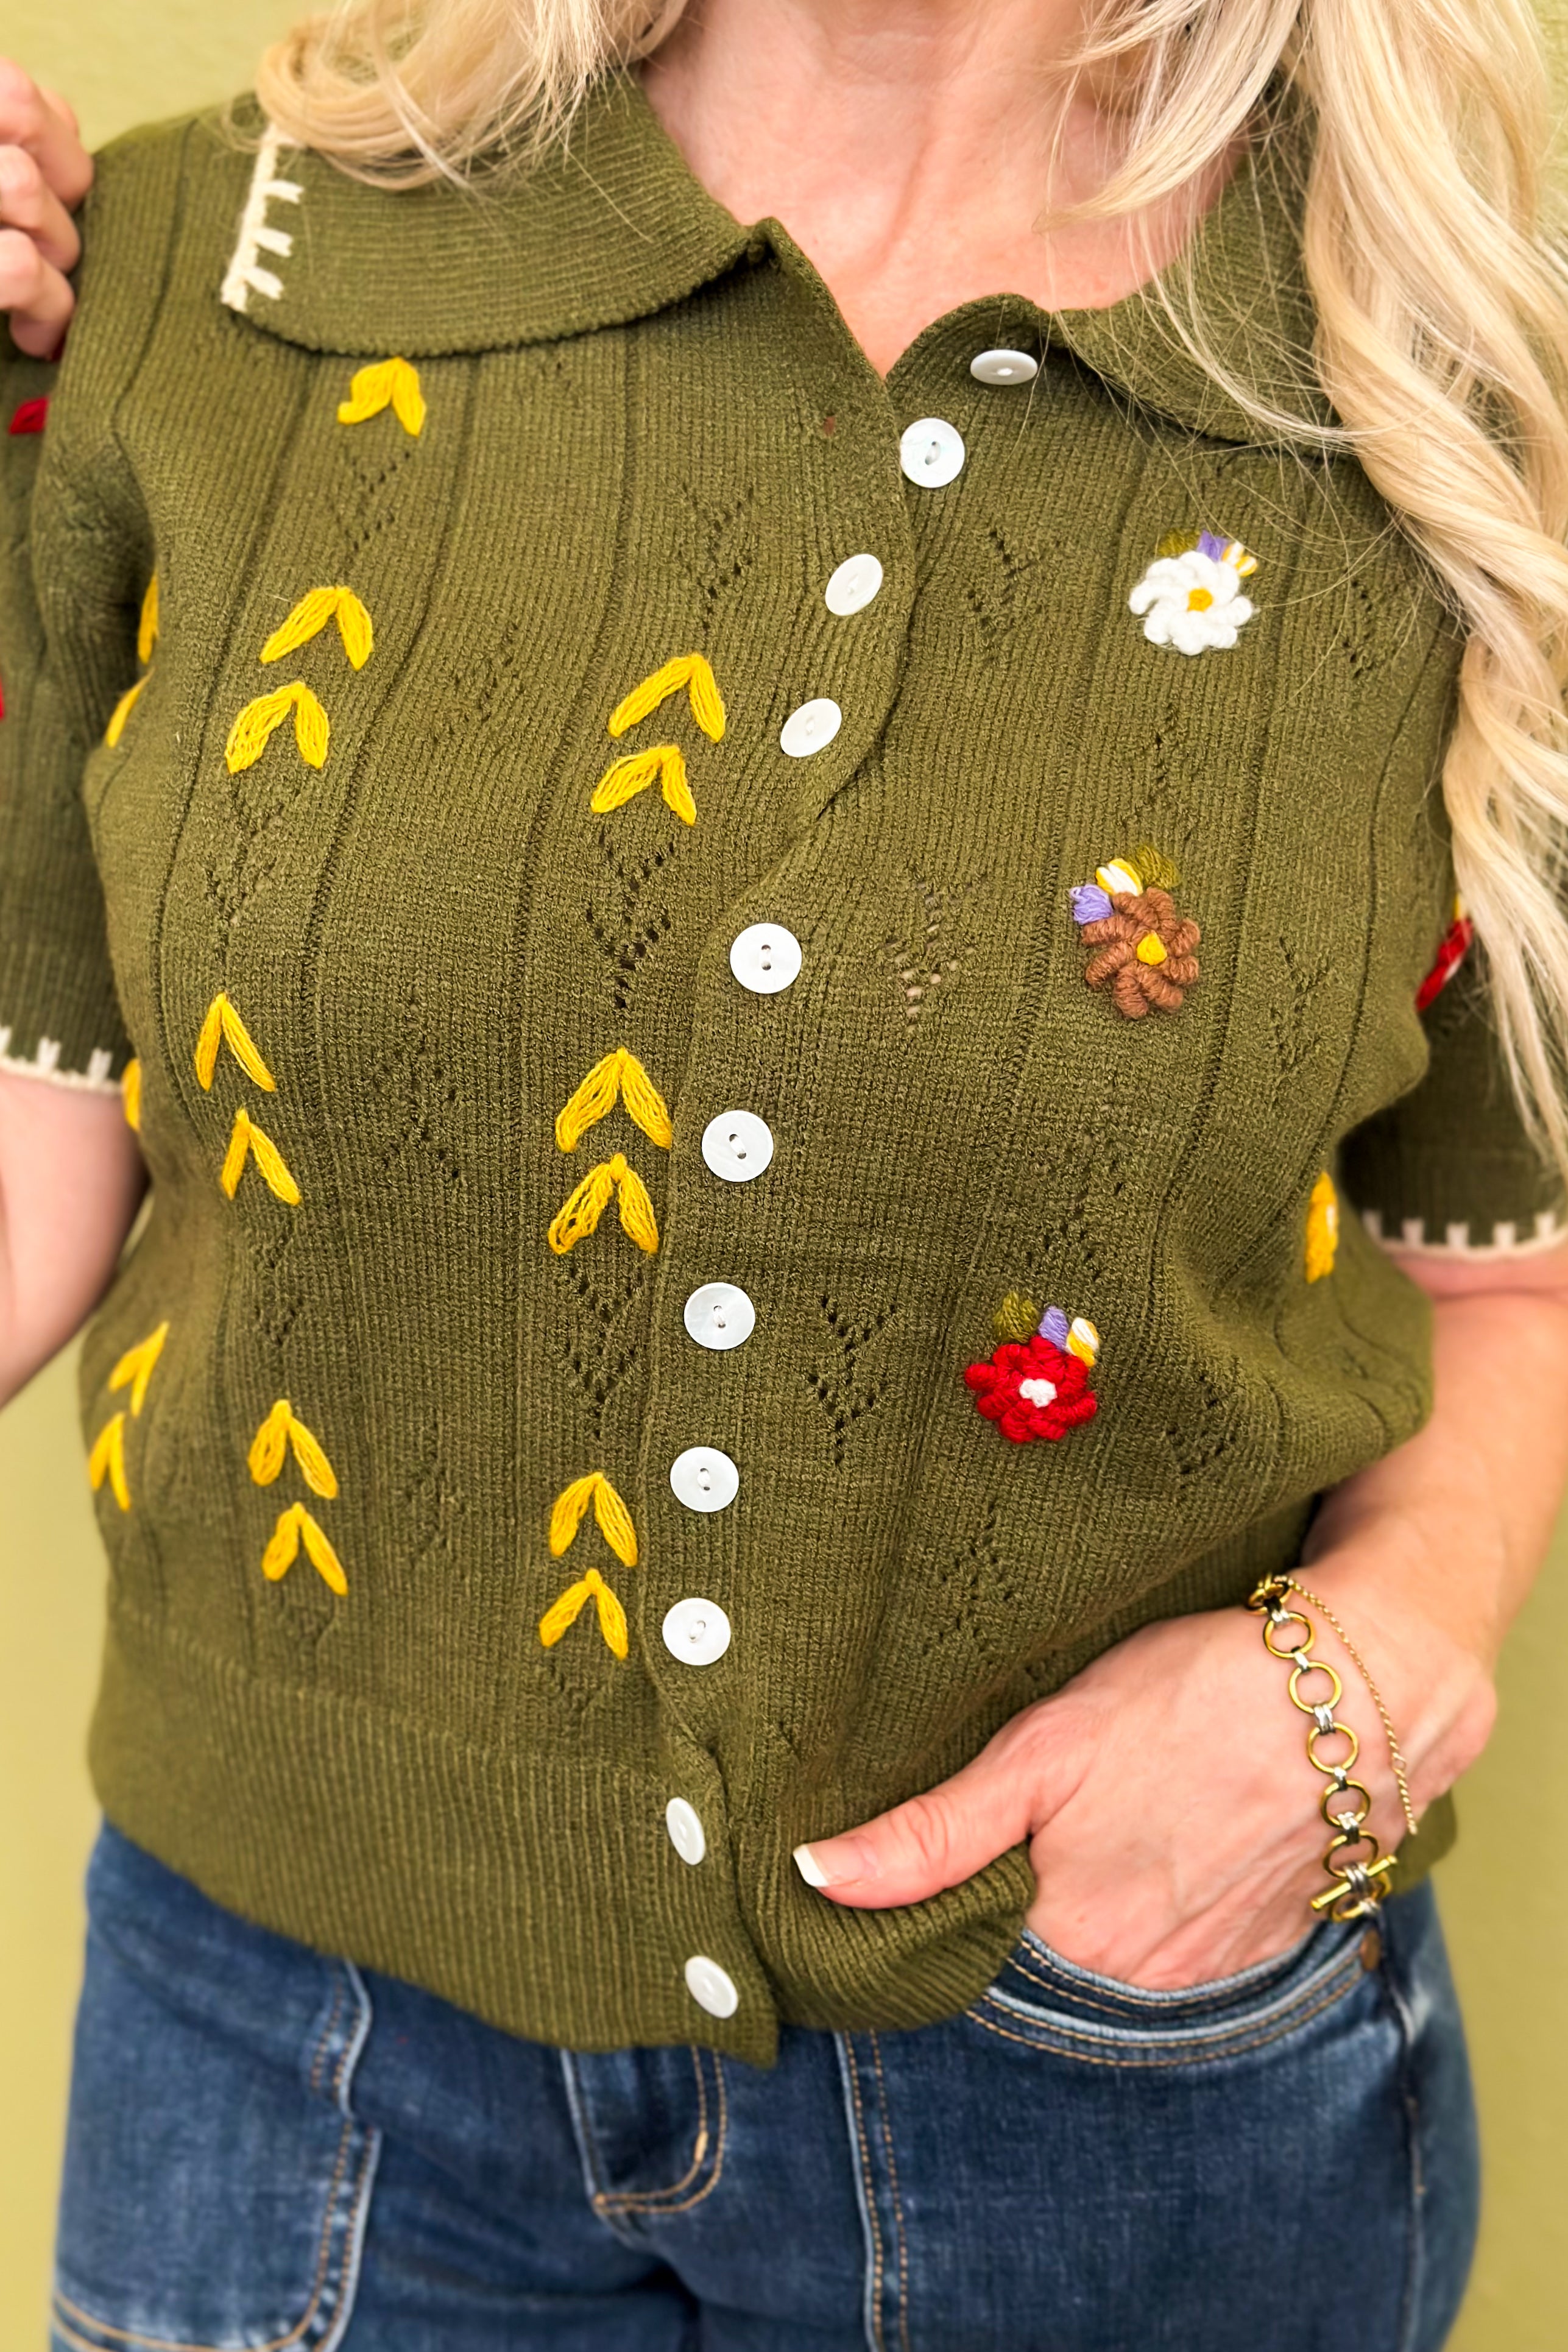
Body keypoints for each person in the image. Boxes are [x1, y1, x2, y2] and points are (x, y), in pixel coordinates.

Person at [4, 3, 1568, 2343]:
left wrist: (1377, 1666)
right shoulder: (222, 265)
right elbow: (33, 1145)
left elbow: (1505, 1266)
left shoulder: (1445, 375)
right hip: (288, 2071)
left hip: (1120, 2084)